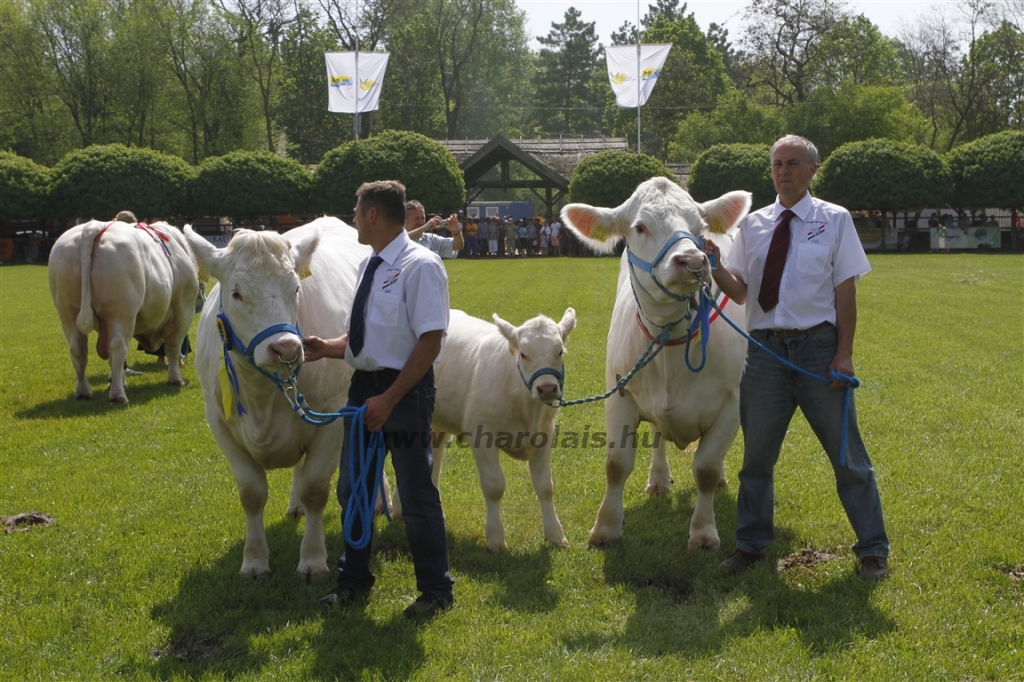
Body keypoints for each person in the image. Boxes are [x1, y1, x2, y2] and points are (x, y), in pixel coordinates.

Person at [703, 134, 890, 582]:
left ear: (811, 170)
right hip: (765, 354)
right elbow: (744, 292)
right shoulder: (754, 226)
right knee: (756, 460)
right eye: (776, 164)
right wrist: (715, 266)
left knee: (847, 457)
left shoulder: (836, 220)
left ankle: (872, 550)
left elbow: (845, 290)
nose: (783, 171)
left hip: (818, 352)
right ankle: (750, 544)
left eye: (792, 163)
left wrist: (843, 355)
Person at [304, 180, 455, 619]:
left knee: (416, 493)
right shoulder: (368, 265)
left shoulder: (420, 265)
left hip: (403, 394)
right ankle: (353, 582)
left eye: (356, 210)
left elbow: (429, 342)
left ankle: (436, 591)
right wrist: (329, 347)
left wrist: (389, 399)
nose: (352, 217)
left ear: (372, 215)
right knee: (354, 490)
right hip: (364, 388)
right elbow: (367, 337)